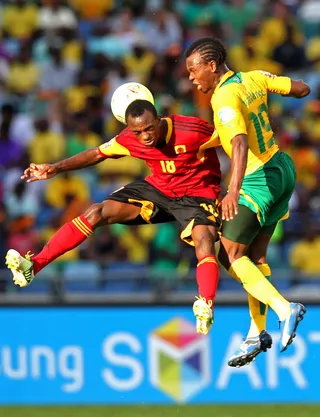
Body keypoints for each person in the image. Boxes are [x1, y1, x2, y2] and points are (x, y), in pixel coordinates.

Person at [6, 99, 221, 335]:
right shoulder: (129, 138)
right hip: (158, 190)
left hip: (198, 195)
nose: (145, 137)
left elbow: (235, 140)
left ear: (159, 120)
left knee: (204, 241)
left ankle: (206, 305)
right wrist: (56, 168)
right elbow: (96, 154)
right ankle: (33, 267)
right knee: (96, 212)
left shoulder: (191, 129)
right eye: (138, 132)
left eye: (149, 129)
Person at [185, 37, 310, 366]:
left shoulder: (223, 96)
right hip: (282, 168)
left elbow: (239, 142)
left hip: (256, 180)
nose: (191, 77)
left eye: (194, 70)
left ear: (212, 66)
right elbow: (301, 89)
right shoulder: (252, 77)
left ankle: (286, 309)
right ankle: (257, 331)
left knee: (228, 252)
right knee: (255, 257)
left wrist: (232, 189)